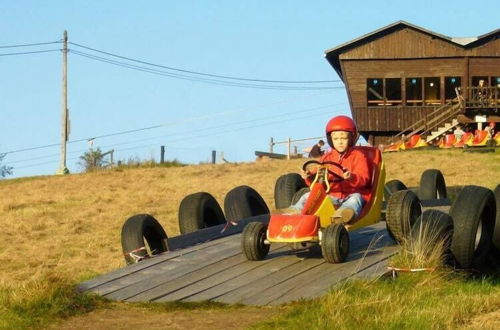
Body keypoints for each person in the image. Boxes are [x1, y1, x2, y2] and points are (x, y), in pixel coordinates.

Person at [287, 115, 371, 224]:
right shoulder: (327, 157)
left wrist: (352, 177)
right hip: (331, 196)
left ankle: (342, 215)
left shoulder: (359, 156)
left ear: (351, 138)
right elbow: (318, 178)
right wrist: (309, 176)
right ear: (330, 140)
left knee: (356, 199)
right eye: (336, 139)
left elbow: (364, 179)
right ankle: (293, 211)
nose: (340, 142)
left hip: (352, 194)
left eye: (343, 138)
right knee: (307, 195)